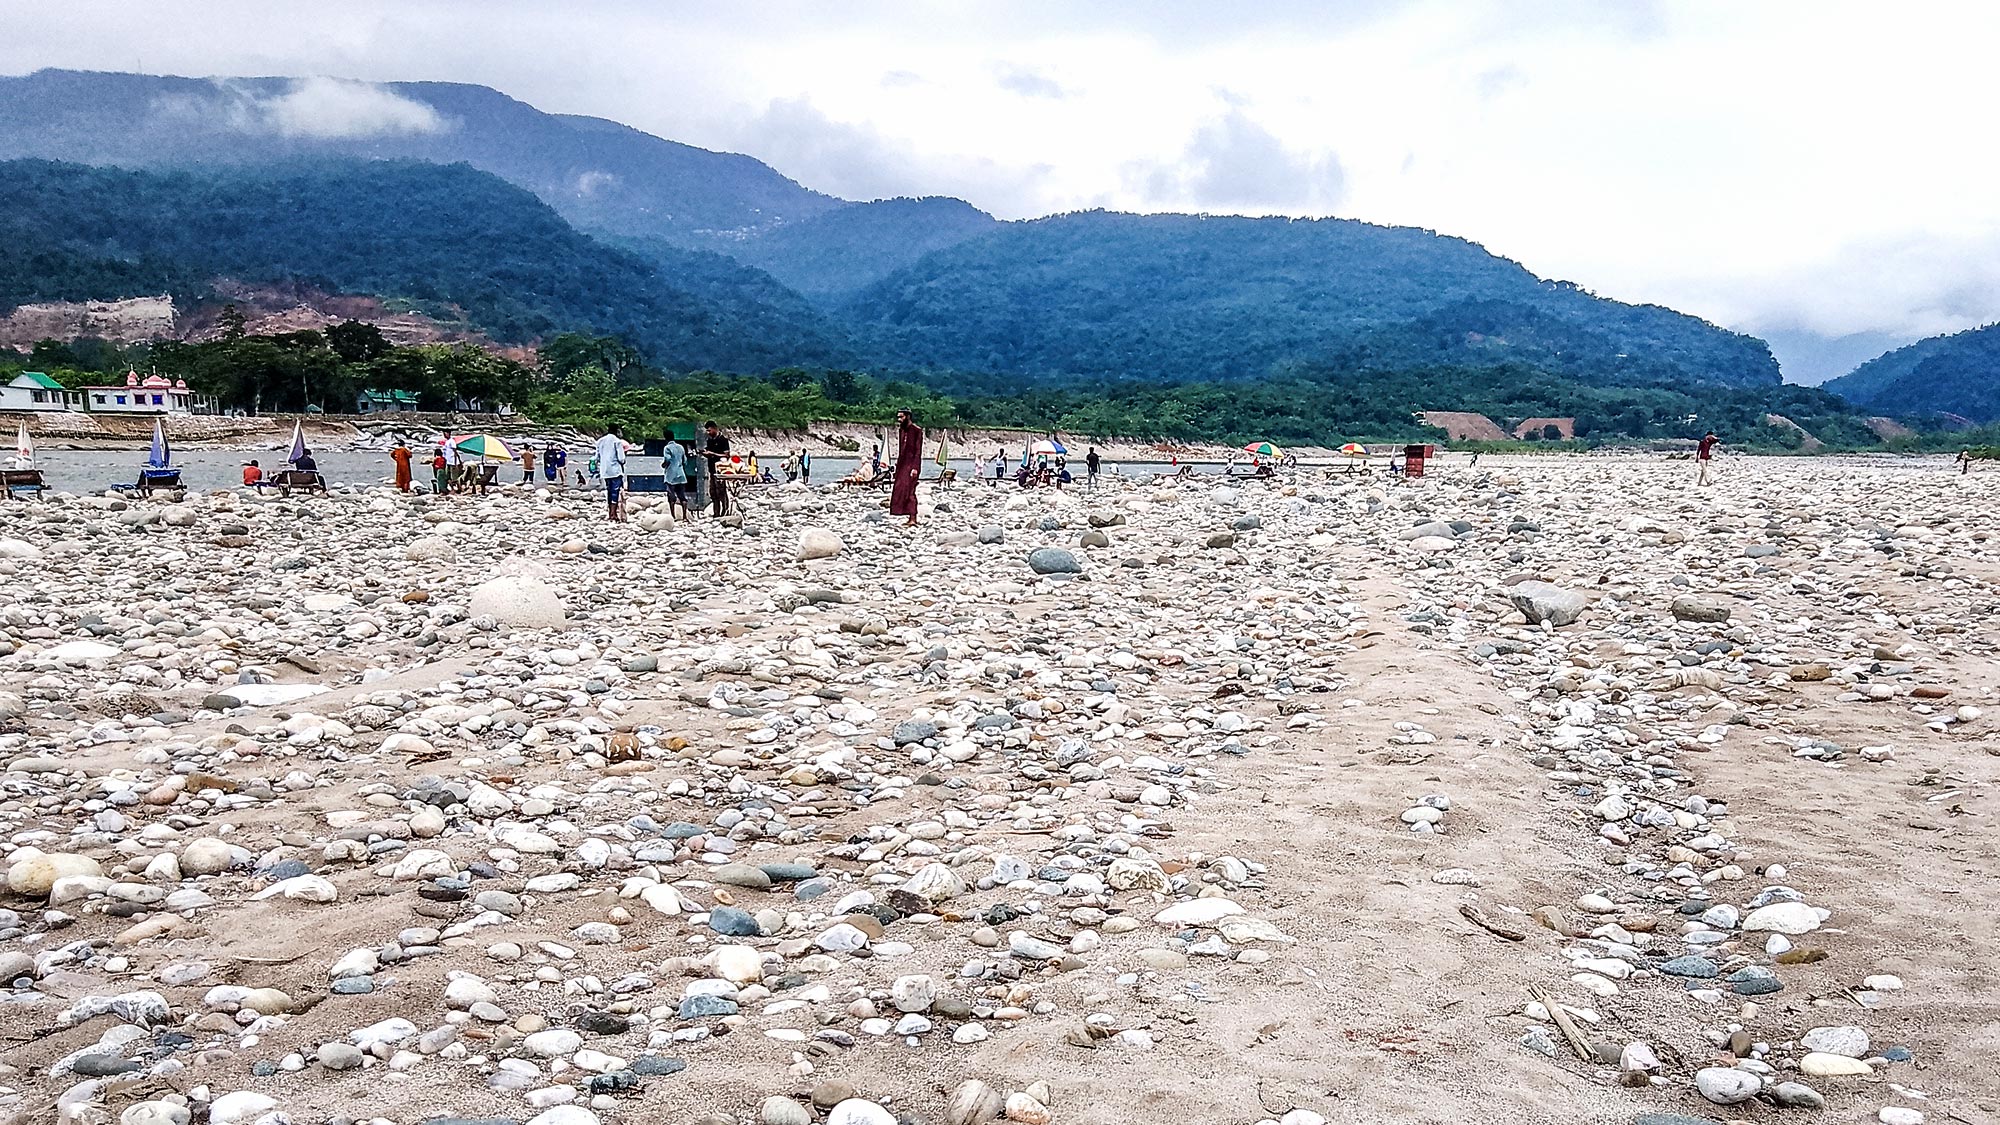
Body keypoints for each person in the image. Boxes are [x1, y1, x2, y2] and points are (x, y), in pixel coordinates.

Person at [890, 408, 923, 525]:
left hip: (912, 465)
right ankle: (906, 515)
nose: (899, 420)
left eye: (901, 417)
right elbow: (901, 450)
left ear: (908, 416)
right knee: (900, 489)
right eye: (898, 417)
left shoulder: (916, 430)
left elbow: (918, 451)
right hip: (902, 465)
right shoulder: (902, 431)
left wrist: (915, 467)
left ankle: (913, 517)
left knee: (910, 490)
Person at [595, 425, 628, 521]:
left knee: (609, 490)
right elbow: (621, 459)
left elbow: (596, 457)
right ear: (617, 431)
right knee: (615, 491)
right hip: (615, 470)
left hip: (604, 470)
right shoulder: (617, 441)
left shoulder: (600, 441)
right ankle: (613, 514)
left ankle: (610, 512)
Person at [701, 421, 732, 516]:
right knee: (713, 493)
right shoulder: (710, 440)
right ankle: (716, 512)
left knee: (721, 491)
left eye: (709, 430)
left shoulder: (723, 440)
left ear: (715, 428)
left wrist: (713, 454)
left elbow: (726, 455)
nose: (708, 433)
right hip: (712, 470)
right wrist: (705, 453)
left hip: (720, 471)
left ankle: (725, 510)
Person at [663, 437, 690, 520]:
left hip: (671, 475)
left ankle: (673, 516)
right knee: (682, 496)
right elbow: (685, 461)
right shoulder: (681, 447)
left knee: (671, 496)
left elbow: (667, 459)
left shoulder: (667, 448)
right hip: (681, 474)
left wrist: (664, 465)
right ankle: (685, 516)